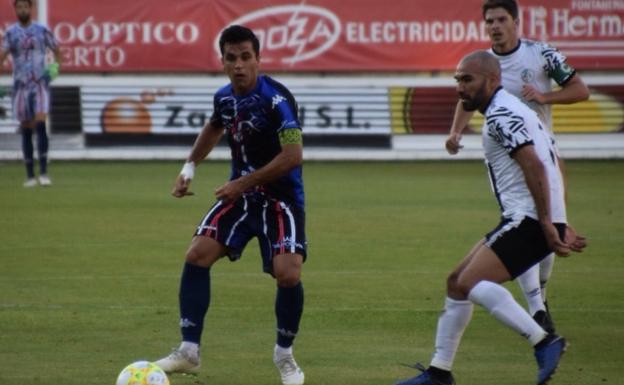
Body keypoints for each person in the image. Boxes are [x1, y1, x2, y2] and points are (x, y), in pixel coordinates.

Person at [394, 51, 587, 385]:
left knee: (470, 284)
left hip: (528, 219)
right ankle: (439, 372)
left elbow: (535, 165)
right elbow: (554, 160)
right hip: (528, 216)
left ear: (492, 79)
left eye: (467, 79)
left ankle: (544, 340)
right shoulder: (514, 110)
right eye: (457, 80)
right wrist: (559, 217)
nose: (460, 88)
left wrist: (547, 221)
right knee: (456, 282)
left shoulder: (501, 115)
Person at [154, 25, 307, 385]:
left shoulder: (278, 100)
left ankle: (284, 355)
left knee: (289, 273)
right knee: (197, 255)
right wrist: (189, 167)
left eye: (245, 57)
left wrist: (242, 183)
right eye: (231, 58)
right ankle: (189, 351)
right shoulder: (223, 97)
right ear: (222, 61)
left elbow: (293, 156)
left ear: (258, 59)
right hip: (240, 196)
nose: (238, 65)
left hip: (280, 199)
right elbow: (213, 127)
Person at [445, 0, 590, 334]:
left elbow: (580, 89)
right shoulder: (481, 63)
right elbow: (466, 98)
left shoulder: (542, 54)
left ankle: (540, 301)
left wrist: (544, 98)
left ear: (516, 21)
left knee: (541, 224)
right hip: (509, 159)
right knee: (524, 221)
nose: (494, 26)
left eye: (501, 19)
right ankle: (538, 308)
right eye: (489, 21)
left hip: (545, 155)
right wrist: (454, 132)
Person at [0, 0, 61, 187]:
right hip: (20, 85)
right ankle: (29, 176)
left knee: (41, 123)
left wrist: (54, 67)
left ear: (31, 8)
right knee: (26, 128)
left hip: (39, 82)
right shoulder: (10, 33)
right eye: (19, 7)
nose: (23, 10)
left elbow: (56, 48)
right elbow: (2, 56)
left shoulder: (41, 30)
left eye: (26, 6)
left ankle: (43, 172)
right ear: (15, 9)